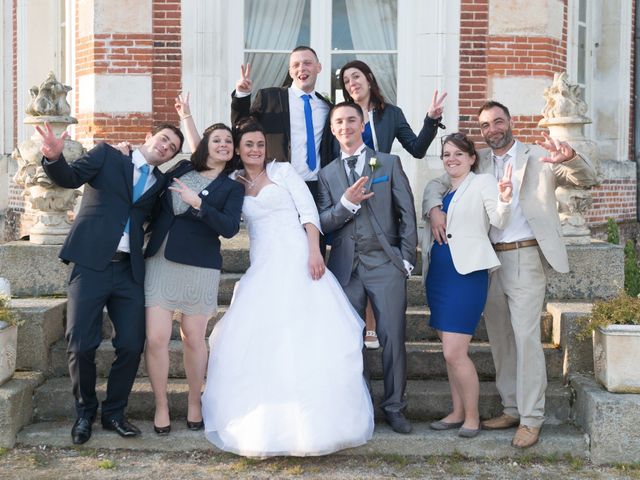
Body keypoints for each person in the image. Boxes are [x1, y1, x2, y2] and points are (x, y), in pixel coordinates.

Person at [423, 100, 598, 448]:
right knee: (500, 338)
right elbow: (435, 184)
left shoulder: (537, 156)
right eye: (486, 125)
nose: (493, 129)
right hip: (488, 262)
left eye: (498, 121)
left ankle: (532, 417)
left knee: (526, 337)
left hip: (526, 256)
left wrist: (571, 158)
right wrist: (433, 209)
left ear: (510, 122)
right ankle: (512, 407)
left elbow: (588, 178)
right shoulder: (479, 161)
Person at [201, 118, 373, 457]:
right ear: (238, 149)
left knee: (305, 333)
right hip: (262, 262)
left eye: (260, 145)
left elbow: (308, 212)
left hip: (297, 256)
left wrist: (313, 252)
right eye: (248, 145)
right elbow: (203, 155)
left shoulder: (282, 172)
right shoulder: (233, 182)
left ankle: (318, 424)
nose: (255, 150)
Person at [37, 122, 184, 445]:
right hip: (90, 263)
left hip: (129, 271)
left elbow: (159, 219)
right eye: (163, 139)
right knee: (80, 344)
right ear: (148, 137)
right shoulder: (108, 154)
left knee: (131, 344)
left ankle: (114, 412)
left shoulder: (160, 182)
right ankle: (85, 413)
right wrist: (53, 157)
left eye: (172, 147)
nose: (166, 147)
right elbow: (69, 178)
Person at [317, 102, 418, 434]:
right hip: (346, 267)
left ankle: (395, 407)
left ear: (362, 125)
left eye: (351, 120)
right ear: (332, 130)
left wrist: (406, 259)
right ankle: (357, 406)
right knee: (349, 339)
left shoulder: (388, 162)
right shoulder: (327, 173)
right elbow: (323, 223)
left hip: (386, 263)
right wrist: (345, 204)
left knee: (392, 337)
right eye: (338, 122)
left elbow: (406, 212)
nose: (345, 126)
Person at [142, 123, 244, 435]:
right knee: (156, 337)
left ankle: (194, 402)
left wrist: (200, 203)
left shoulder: (233, 187)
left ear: (233, 150)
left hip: (201, 264)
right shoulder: (184, 166)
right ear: (206, 145)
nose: (223, 144)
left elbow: (229, 228)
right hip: (161, 258)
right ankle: (161, 405)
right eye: (217, 139)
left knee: (192, 337)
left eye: (228, 141)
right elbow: (155, 188)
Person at [339, 59, 447, 350]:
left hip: (381, 191)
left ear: (370, 79)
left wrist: (431, 120)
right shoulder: (342, 116)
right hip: (348, 191)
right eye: (347, 81)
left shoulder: (391, 114)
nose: (352, 84)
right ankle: (354, 323)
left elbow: (417, 148)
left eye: (356, 77)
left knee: (378, 256)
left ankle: (373, 325)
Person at [421, 132, 512, 438]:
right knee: (449, 353)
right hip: (440, 275)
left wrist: (506, 197)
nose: (452, 159)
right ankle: (457, 411)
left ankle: (472, 416)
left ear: (473, 158)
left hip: (466, 275)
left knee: (454, 352)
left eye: (459, 153)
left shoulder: (483, 183)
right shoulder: (444, 188)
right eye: (446, 154)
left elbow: (498, 220)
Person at [230, 46, 336, 202]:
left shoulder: (327, 108)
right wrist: (242, 95)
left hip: (316, 187)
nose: (301, 68)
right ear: (290, 71)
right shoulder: (270, 98)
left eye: (307, 63)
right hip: (277, 185)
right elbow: (241, 127)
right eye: (296, 65)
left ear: (318, 67)